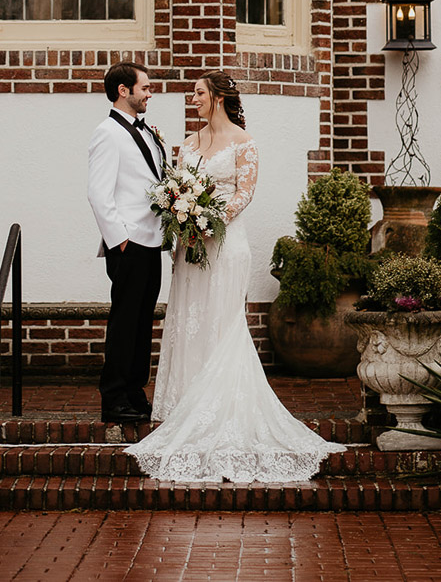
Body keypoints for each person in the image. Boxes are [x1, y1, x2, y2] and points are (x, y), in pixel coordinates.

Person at [125, 70, 345, 482]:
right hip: (189, 250)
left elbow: (245, 192)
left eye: (199, 94)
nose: (194, 100)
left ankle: (222, 412)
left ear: (219, 97)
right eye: (193, 94)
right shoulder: (189, 144)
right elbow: (176, 188)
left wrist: (212, 220)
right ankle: (183, 408)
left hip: (225, 245)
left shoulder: (244, 142)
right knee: (189, 322)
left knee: (221, 324)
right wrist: (183, 218)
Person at [87, 61, 166, 425]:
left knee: (142, 323)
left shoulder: (147, 130)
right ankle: (114, 397)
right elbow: (98, 194)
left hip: (152, 241)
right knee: (124, 322)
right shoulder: (107, 132)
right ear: (124, 91)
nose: (149, 93)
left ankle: (135, 392)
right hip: (129, 242)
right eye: (145, 88)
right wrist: (120, 240)